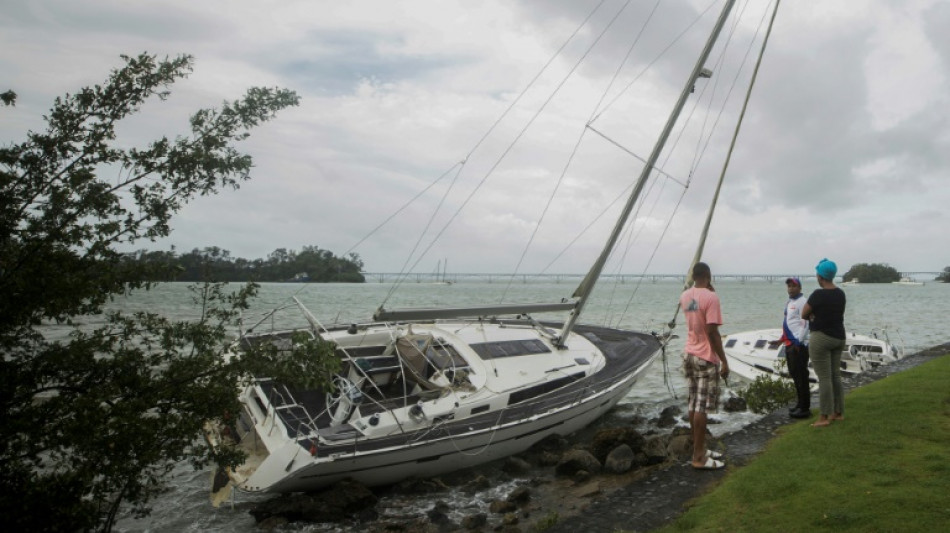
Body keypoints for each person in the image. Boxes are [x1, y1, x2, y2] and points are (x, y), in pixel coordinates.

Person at [679, 261, 729, 469]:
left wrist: (707, 292)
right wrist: (724, 361)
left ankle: (699, 448)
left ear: (693, 276)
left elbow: (696, 313)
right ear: (709, 276)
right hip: (706, 357)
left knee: (693, 404)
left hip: (689, 354)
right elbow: (712, 332)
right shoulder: (711, 297)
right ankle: (699, 457)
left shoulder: (685, 296)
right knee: (701, 408)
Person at [801, 258, 846, 428]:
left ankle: (824, 417)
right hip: (839, 337)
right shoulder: (840, 294)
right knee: (835, 376)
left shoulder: (818, 295)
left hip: (821, 338)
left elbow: (804, 314)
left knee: (825, 378)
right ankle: (838, 412)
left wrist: (813, 315)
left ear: (820, 277)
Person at [769, 277, 811, 419]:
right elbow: (789, 323)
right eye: (789, 286)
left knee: (801, 376)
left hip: (798, 345)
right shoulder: (790, 302)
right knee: (795, 375)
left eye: (793, 286)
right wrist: (781, 339)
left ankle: (805, 408)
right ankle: (800, 404)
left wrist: (799, 342)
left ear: (799, 288)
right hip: (789, 344)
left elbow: (805, 324)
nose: (791, 288)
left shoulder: (803, 302)